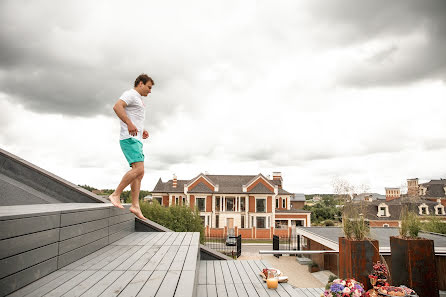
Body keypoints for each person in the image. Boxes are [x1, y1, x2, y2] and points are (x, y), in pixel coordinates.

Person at [108, 74, 154, 220]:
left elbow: (135, 117)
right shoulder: (131, 94)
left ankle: (135, 205)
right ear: (140, 83)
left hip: (137, 139)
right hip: (129, 139)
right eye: (149, 87)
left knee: (140, 173)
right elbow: (117, 106)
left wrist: (142, 129)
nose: (150, 91)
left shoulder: (138, 99)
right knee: (139, 169)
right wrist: (129, 124)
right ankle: (115, 194)